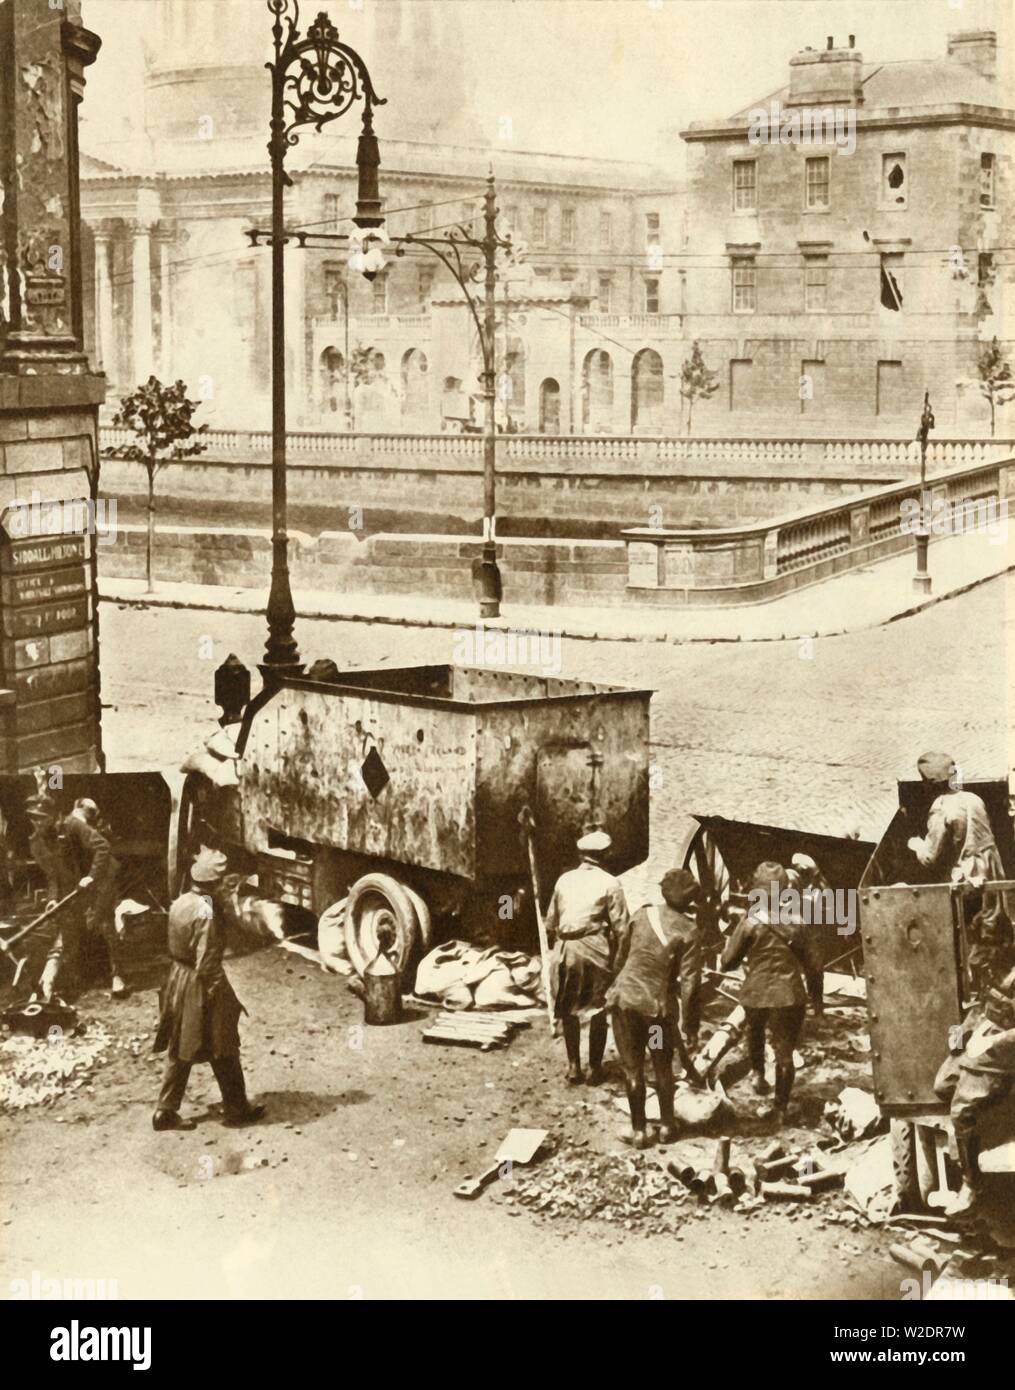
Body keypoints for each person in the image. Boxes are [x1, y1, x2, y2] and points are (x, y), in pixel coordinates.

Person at [152, 847, 265, 1132]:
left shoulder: (181, 901)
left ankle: (166, 1110)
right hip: (199, 982)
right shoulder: (206, 911)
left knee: (182, 1045)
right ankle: (236, 1108)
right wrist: (220, 994)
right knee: (224, 1040)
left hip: (178, 976)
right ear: (216, 883)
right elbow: (207, 961)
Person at [606, 868, 702, 1149]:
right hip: (655, 1013)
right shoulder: (689, 930)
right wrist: (690, 1027)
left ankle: (638, 1132)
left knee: (632, 1068)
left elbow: (620, 958)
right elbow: (691, 985)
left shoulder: (640, 914)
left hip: (625, 1004)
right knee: (661, 1064)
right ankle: (668, 1126)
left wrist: (618, 988)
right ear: (690, 899)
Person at [907, 751, 1010, 991]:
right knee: (991, 928)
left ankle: (967, 985)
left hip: (969, 876)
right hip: (993, 869)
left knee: (963, 932)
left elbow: (930, 858)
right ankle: (992, 979)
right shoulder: (973, 798)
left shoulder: (940, 807)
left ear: (928, 783)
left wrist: (915, 844)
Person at [722, 861, 807, 1121]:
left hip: (756, 992)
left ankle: (758, 1075)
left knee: (755, 1030)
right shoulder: (798, 922)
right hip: (789, 995)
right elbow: (814, 964)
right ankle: (781, 1109)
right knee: (784, 1053)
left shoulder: (750, 922)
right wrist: (816, 998)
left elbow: (728, 962)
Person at [543, 828, 629, 1086]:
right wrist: (620, 962)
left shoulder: (564, 880)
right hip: (594, 948)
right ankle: (594, 1068)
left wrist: (555, 951)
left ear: (582, 855)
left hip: (566, 949)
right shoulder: (611, 883)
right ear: (604, 855)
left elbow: (551, 923)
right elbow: (622, 928)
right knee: (597, 1010)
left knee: (569, 1010)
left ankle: (573, 1067)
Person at [934, 965, 1015, 1216]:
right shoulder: (999, 950)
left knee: (961, 1111)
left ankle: (971, 1185)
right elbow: (983, 997)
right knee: (943, 1085)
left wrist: (992, 1042)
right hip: (989, 1021)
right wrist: (961, 1033)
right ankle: (979, 1134)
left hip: (1005, 1042)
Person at [60, 797, 125, 999]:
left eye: (94, 812)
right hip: (92, 879)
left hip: (103, 878)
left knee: (104, 923)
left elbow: (102, 847)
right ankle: (96, 973)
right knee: (91, 923)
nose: (94, 815)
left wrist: (91, 876)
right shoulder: (70, 824)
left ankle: (118, 977)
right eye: (92, 811)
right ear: (81, 808)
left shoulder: (75, 824)